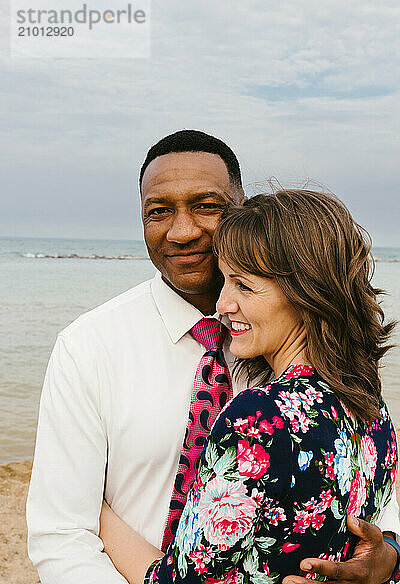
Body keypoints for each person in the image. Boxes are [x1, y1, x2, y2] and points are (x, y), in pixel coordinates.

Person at [26, 130, 400, 584]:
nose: (182, 232)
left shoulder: (326, 376)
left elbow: (372, 501)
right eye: (158, 211)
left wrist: (388, 555)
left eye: (206, 206)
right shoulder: (88, 346)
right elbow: (62, 533)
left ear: (241, 208)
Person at [98, 189, 399, 583]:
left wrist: (96, 509)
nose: (222, 304)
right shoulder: (370, 402)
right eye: (225, 281)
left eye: (243, 285)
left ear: (305, 294)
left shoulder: (259, 417)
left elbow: (177, 581)